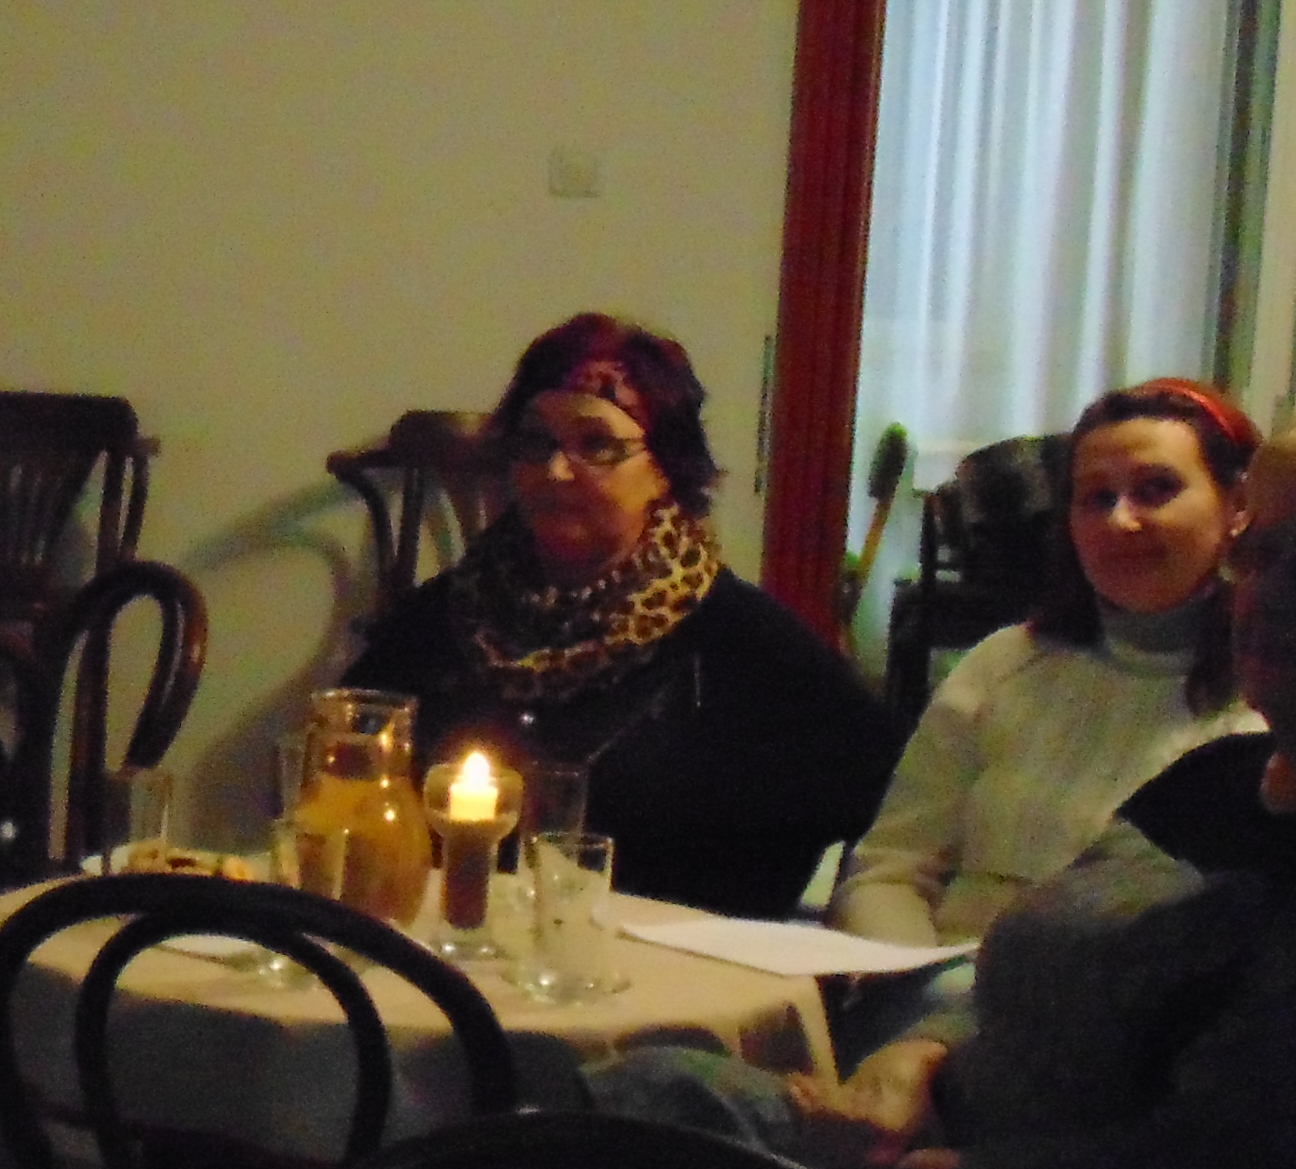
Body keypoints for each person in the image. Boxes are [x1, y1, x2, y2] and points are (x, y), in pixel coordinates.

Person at [602, 380, 1296, 1169]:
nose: (1270, 595)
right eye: (1264, 554)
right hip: (943, 1153)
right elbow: (1016, 945)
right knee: (618, 1104)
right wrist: (919, 1052)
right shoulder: (1221, 779)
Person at [342, 313, 898, 918]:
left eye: (597, 446)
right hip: (448, 943)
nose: (556, 471)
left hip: (665, 960)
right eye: (535, 443)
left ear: (664, 468)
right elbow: (345, 765)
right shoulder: (446, 617)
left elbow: (892, 814)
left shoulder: (748, 648)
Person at [830, 377, 1264, 948]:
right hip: (935, 982)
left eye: (1156, 489)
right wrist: (913, 979)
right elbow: (888, 870)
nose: (1120, 521)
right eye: (1096, 498)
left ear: (1238, 505)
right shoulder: (1002, 666)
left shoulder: (1276, 699)